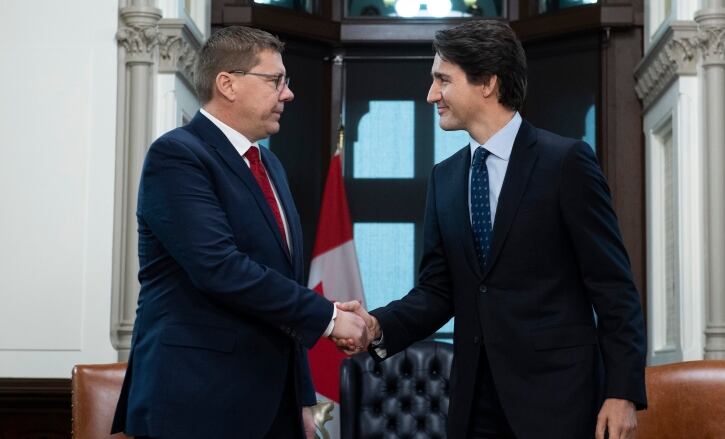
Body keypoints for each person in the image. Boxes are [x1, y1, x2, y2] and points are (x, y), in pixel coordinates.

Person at [337, 20, 647, 439]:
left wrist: (622, 391)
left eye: (442, 80)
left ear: (487, 82)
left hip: (559, 401)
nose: (432, 94)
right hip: (474, 403)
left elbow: (613, 287)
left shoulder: (566, 163)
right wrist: (377, 326)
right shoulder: (445, 179)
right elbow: (437, 290)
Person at [111, 26, 368, 439]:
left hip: (273, 407)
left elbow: (282, 286)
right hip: (197, 404)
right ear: (227, 84)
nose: (288, 94)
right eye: (276, 80)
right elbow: (219, 267)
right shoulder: (177, 155)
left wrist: (302, 397)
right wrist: (330, 317)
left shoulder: (270, 166)